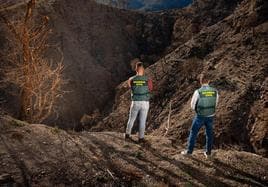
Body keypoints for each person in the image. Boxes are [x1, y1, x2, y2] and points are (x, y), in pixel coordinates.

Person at [181, 73, 219, 158]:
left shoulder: (198, 92)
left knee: (193, 132)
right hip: (210, 115)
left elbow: (192, 105)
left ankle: (189, 152)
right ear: (209, 81)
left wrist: (197, 110)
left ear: (200, 81)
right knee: (209, 134)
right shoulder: (215, 91)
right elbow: (215, 104)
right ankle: (208, 153)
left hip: (200, 116)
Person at [125, 62, 153, 143]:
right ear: (143, 70)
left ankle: (127, 135)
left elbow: (130, 87)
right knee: (142, 121)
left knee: (131, 119)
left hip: (135, 102)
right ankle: (141, 138)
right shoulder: (148, 80)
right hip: (145, 102)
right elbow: (150, 89)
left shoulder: (131, 79)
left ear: (136, 69)